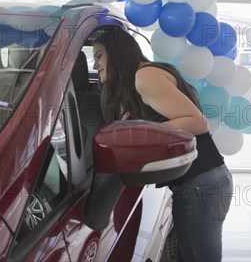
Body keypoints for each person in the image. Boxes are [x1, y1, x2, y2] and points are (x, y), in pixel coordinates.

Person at [92, 27, 233, 262]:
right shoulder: (140, 80)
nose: (95, 64)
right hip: (202, 183)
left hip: (200, 184)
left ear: (116, 53)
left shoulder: (145, 77)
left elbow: (197, 122)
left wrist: (140, 131)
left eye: (99, 56)